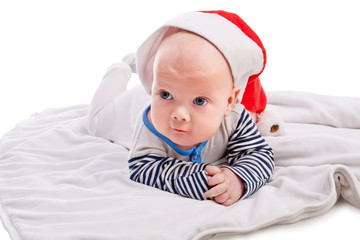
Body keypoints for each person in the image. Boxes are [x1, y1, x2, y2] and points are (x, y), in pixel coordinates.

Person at [87, 10, 274, 206]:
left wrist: (237, 180)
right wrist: (200, 180)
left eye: (199, 101)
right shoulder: (150, 124)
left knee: (175, 83)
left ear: (229, 101)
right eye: (166, 95)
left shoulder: (235, 118)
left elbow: (259, 154)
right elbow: (143, 167)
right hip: (129, 105)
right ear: (154, 89)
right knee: (95, 123)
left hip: (161, 84)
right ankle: (121, 69)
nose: (179, 114)